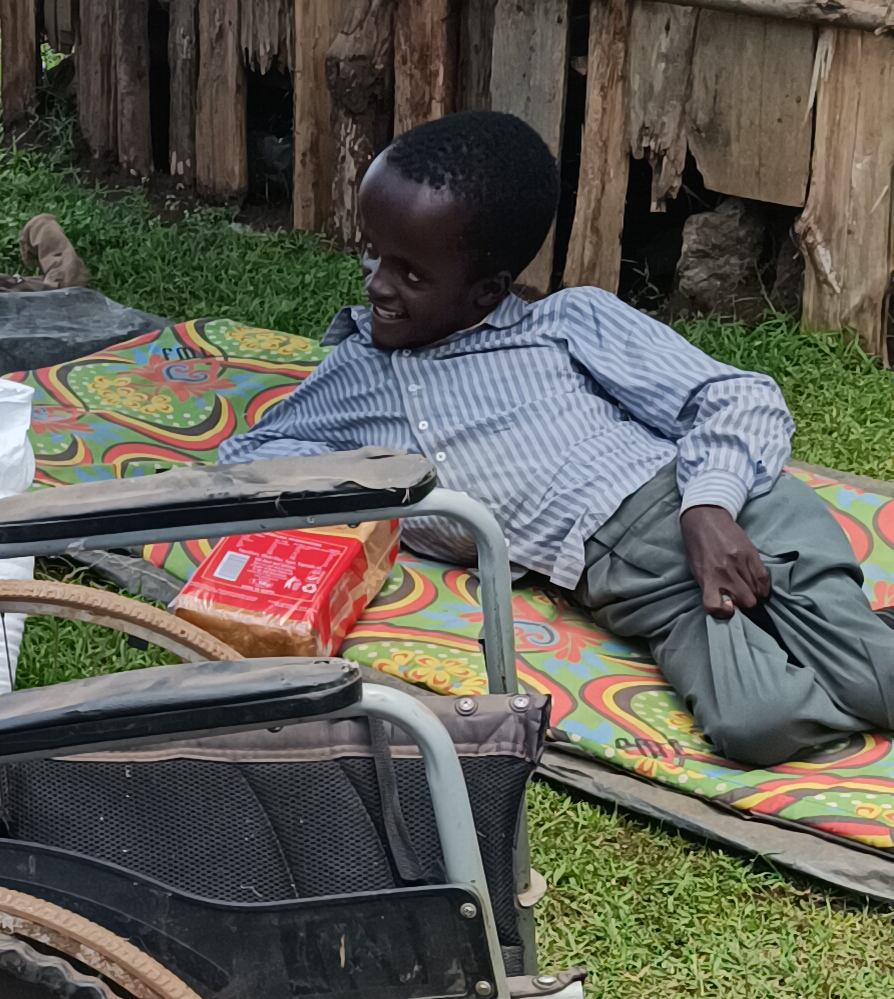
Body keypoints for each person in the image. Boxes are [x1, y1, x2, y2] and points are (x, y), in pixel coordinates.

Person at [218, 112, 894, 770]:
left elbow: (735, 396)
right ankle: (825, 638)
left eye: (412, 274)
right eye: (373, 253)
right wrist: (409, 508)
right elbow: (249, 461)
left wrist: (708, 509)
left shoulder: (566, 325)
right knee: (758, 722)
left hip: (734, 513)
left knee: (876, 679)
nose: (377, 285)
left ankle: (842, 638)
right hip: (643, 588)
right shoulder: (352, 376)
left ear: (487, 292)